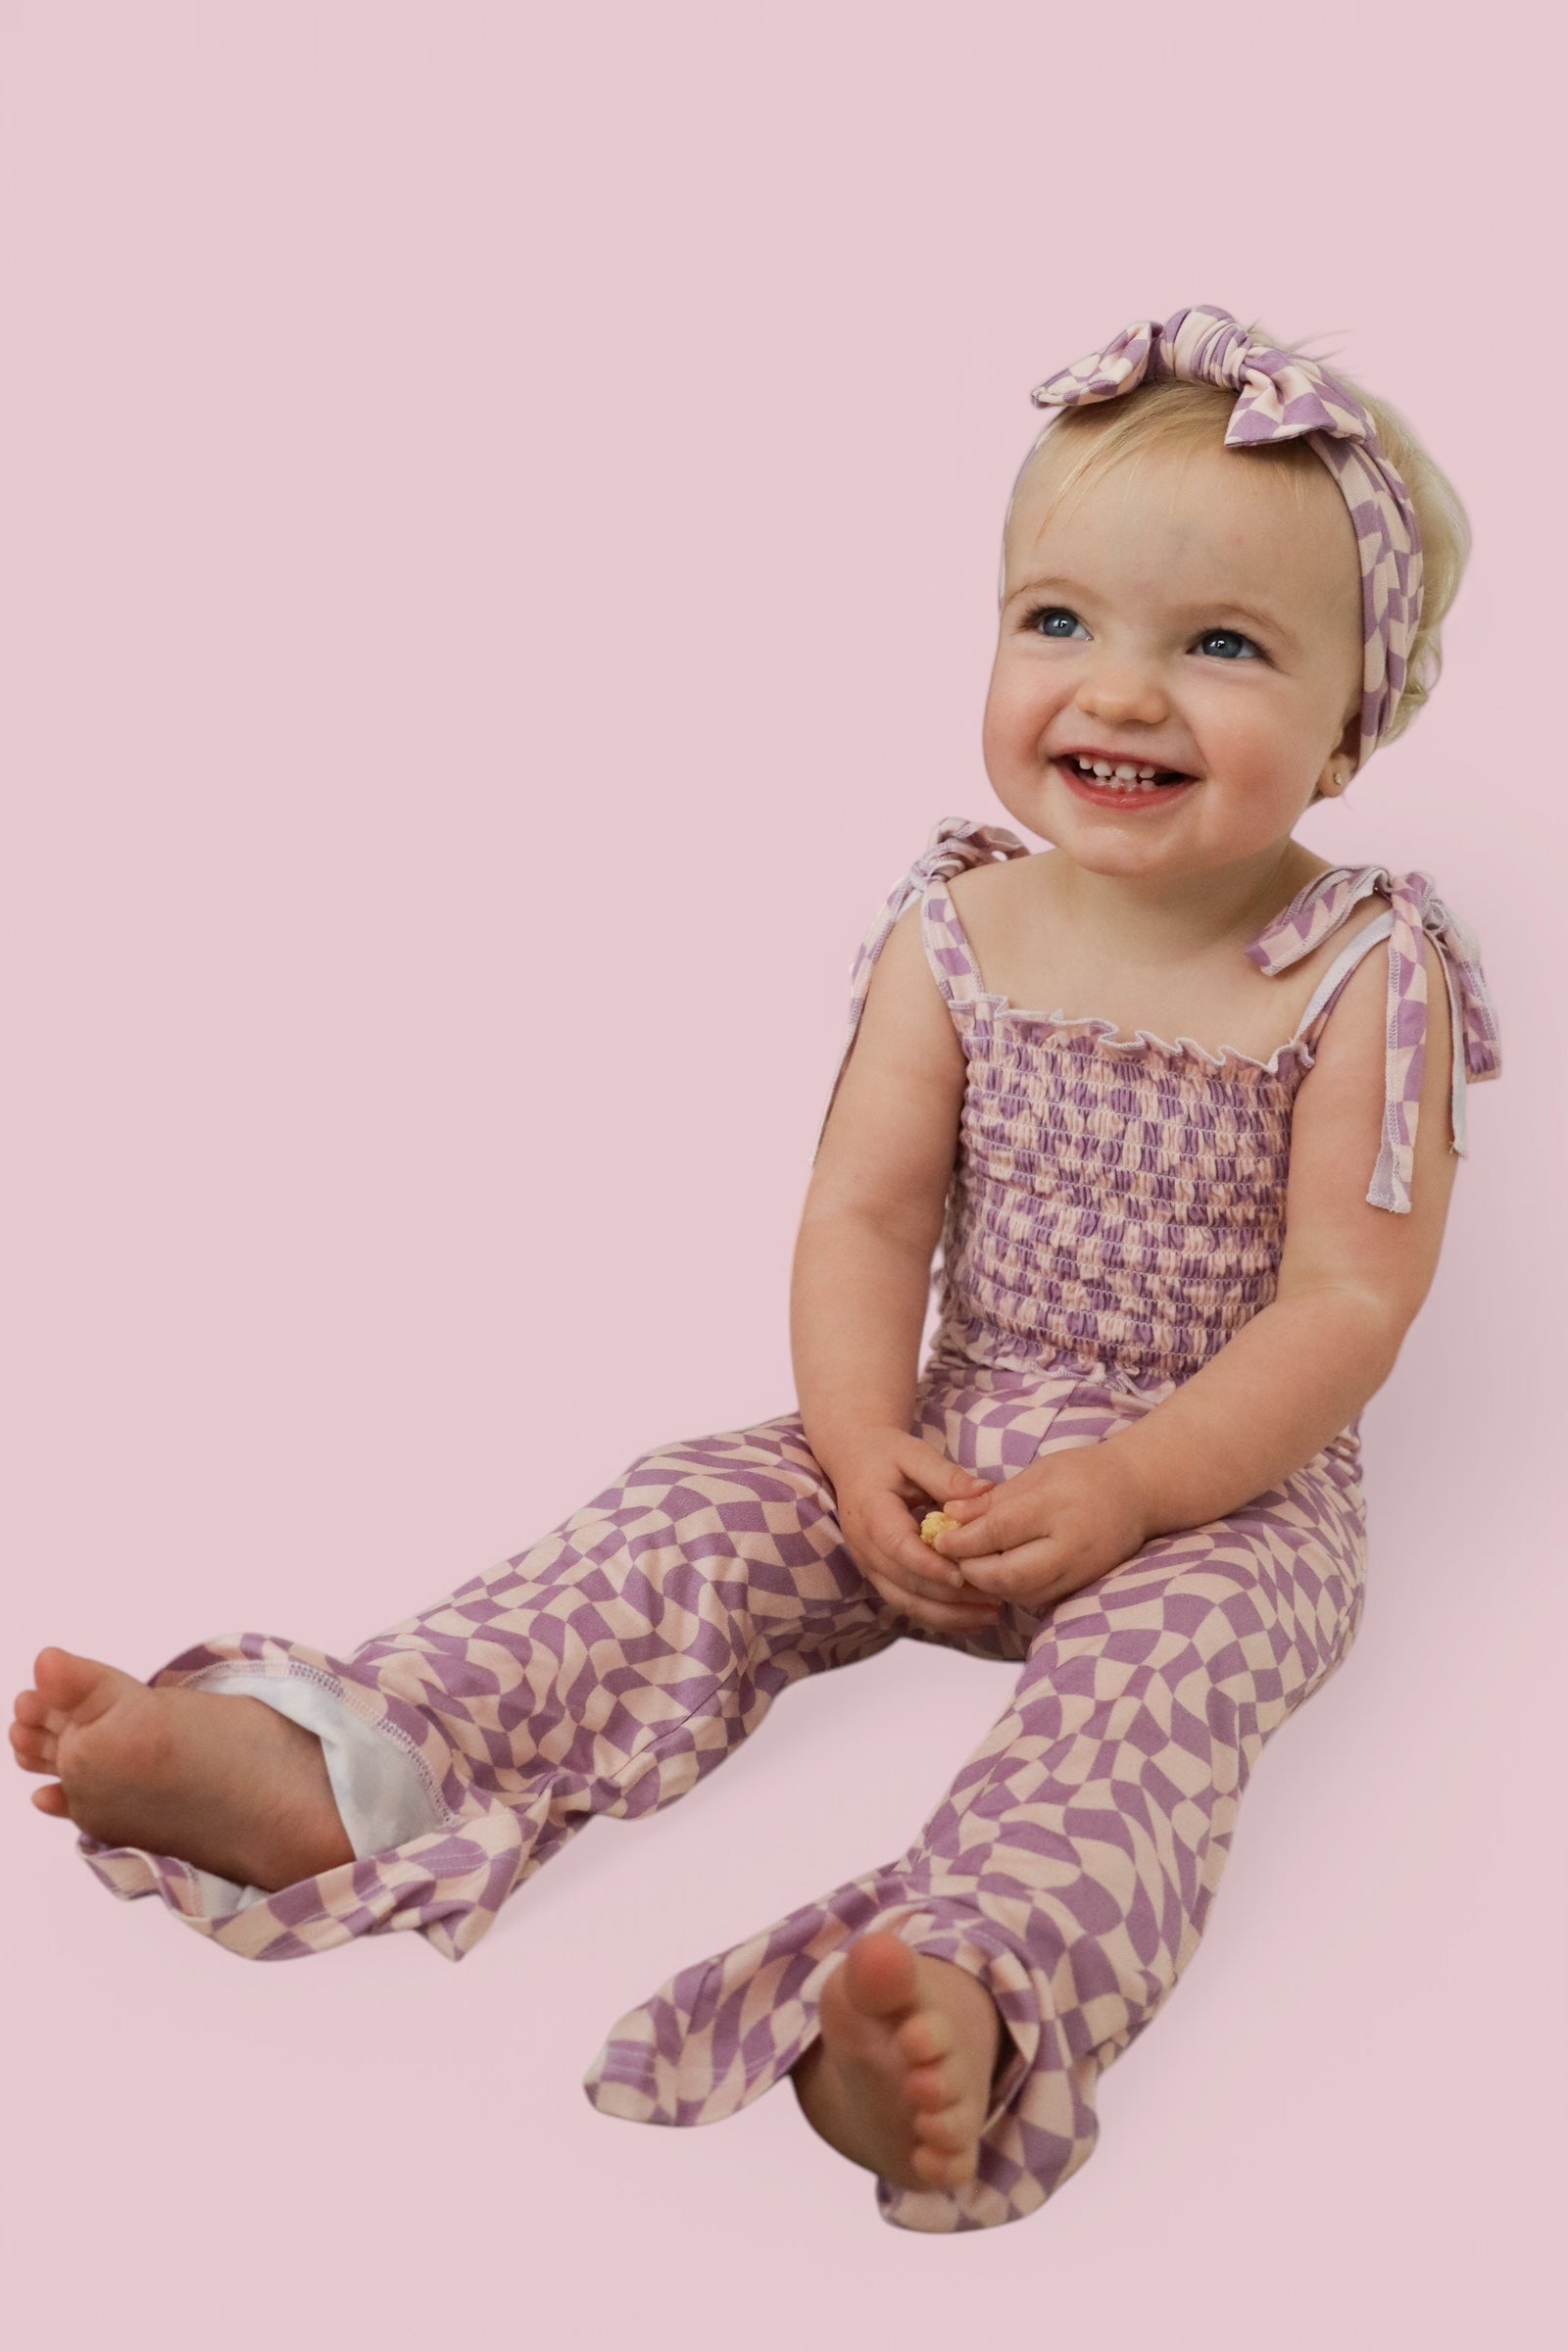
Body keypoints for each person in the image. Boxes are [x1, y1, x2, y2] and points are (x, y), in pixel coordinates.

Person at [9, 304, 1501, 2233]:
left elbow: (1345, 1305)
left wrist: (1141, 1483)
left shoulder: (1362, 969)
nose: (1120, 693)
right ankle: (353, 1765)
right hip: (947, 1431)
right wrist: (858, 1438)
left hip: (1221, 1494)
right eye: (1058, 622)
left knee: (1152, 1702)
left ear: (1356, 720)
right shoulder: (960, 923)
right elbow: (866, 1216)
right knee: (680, 1519)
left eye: (1220, 646)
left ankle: (962, 1991)